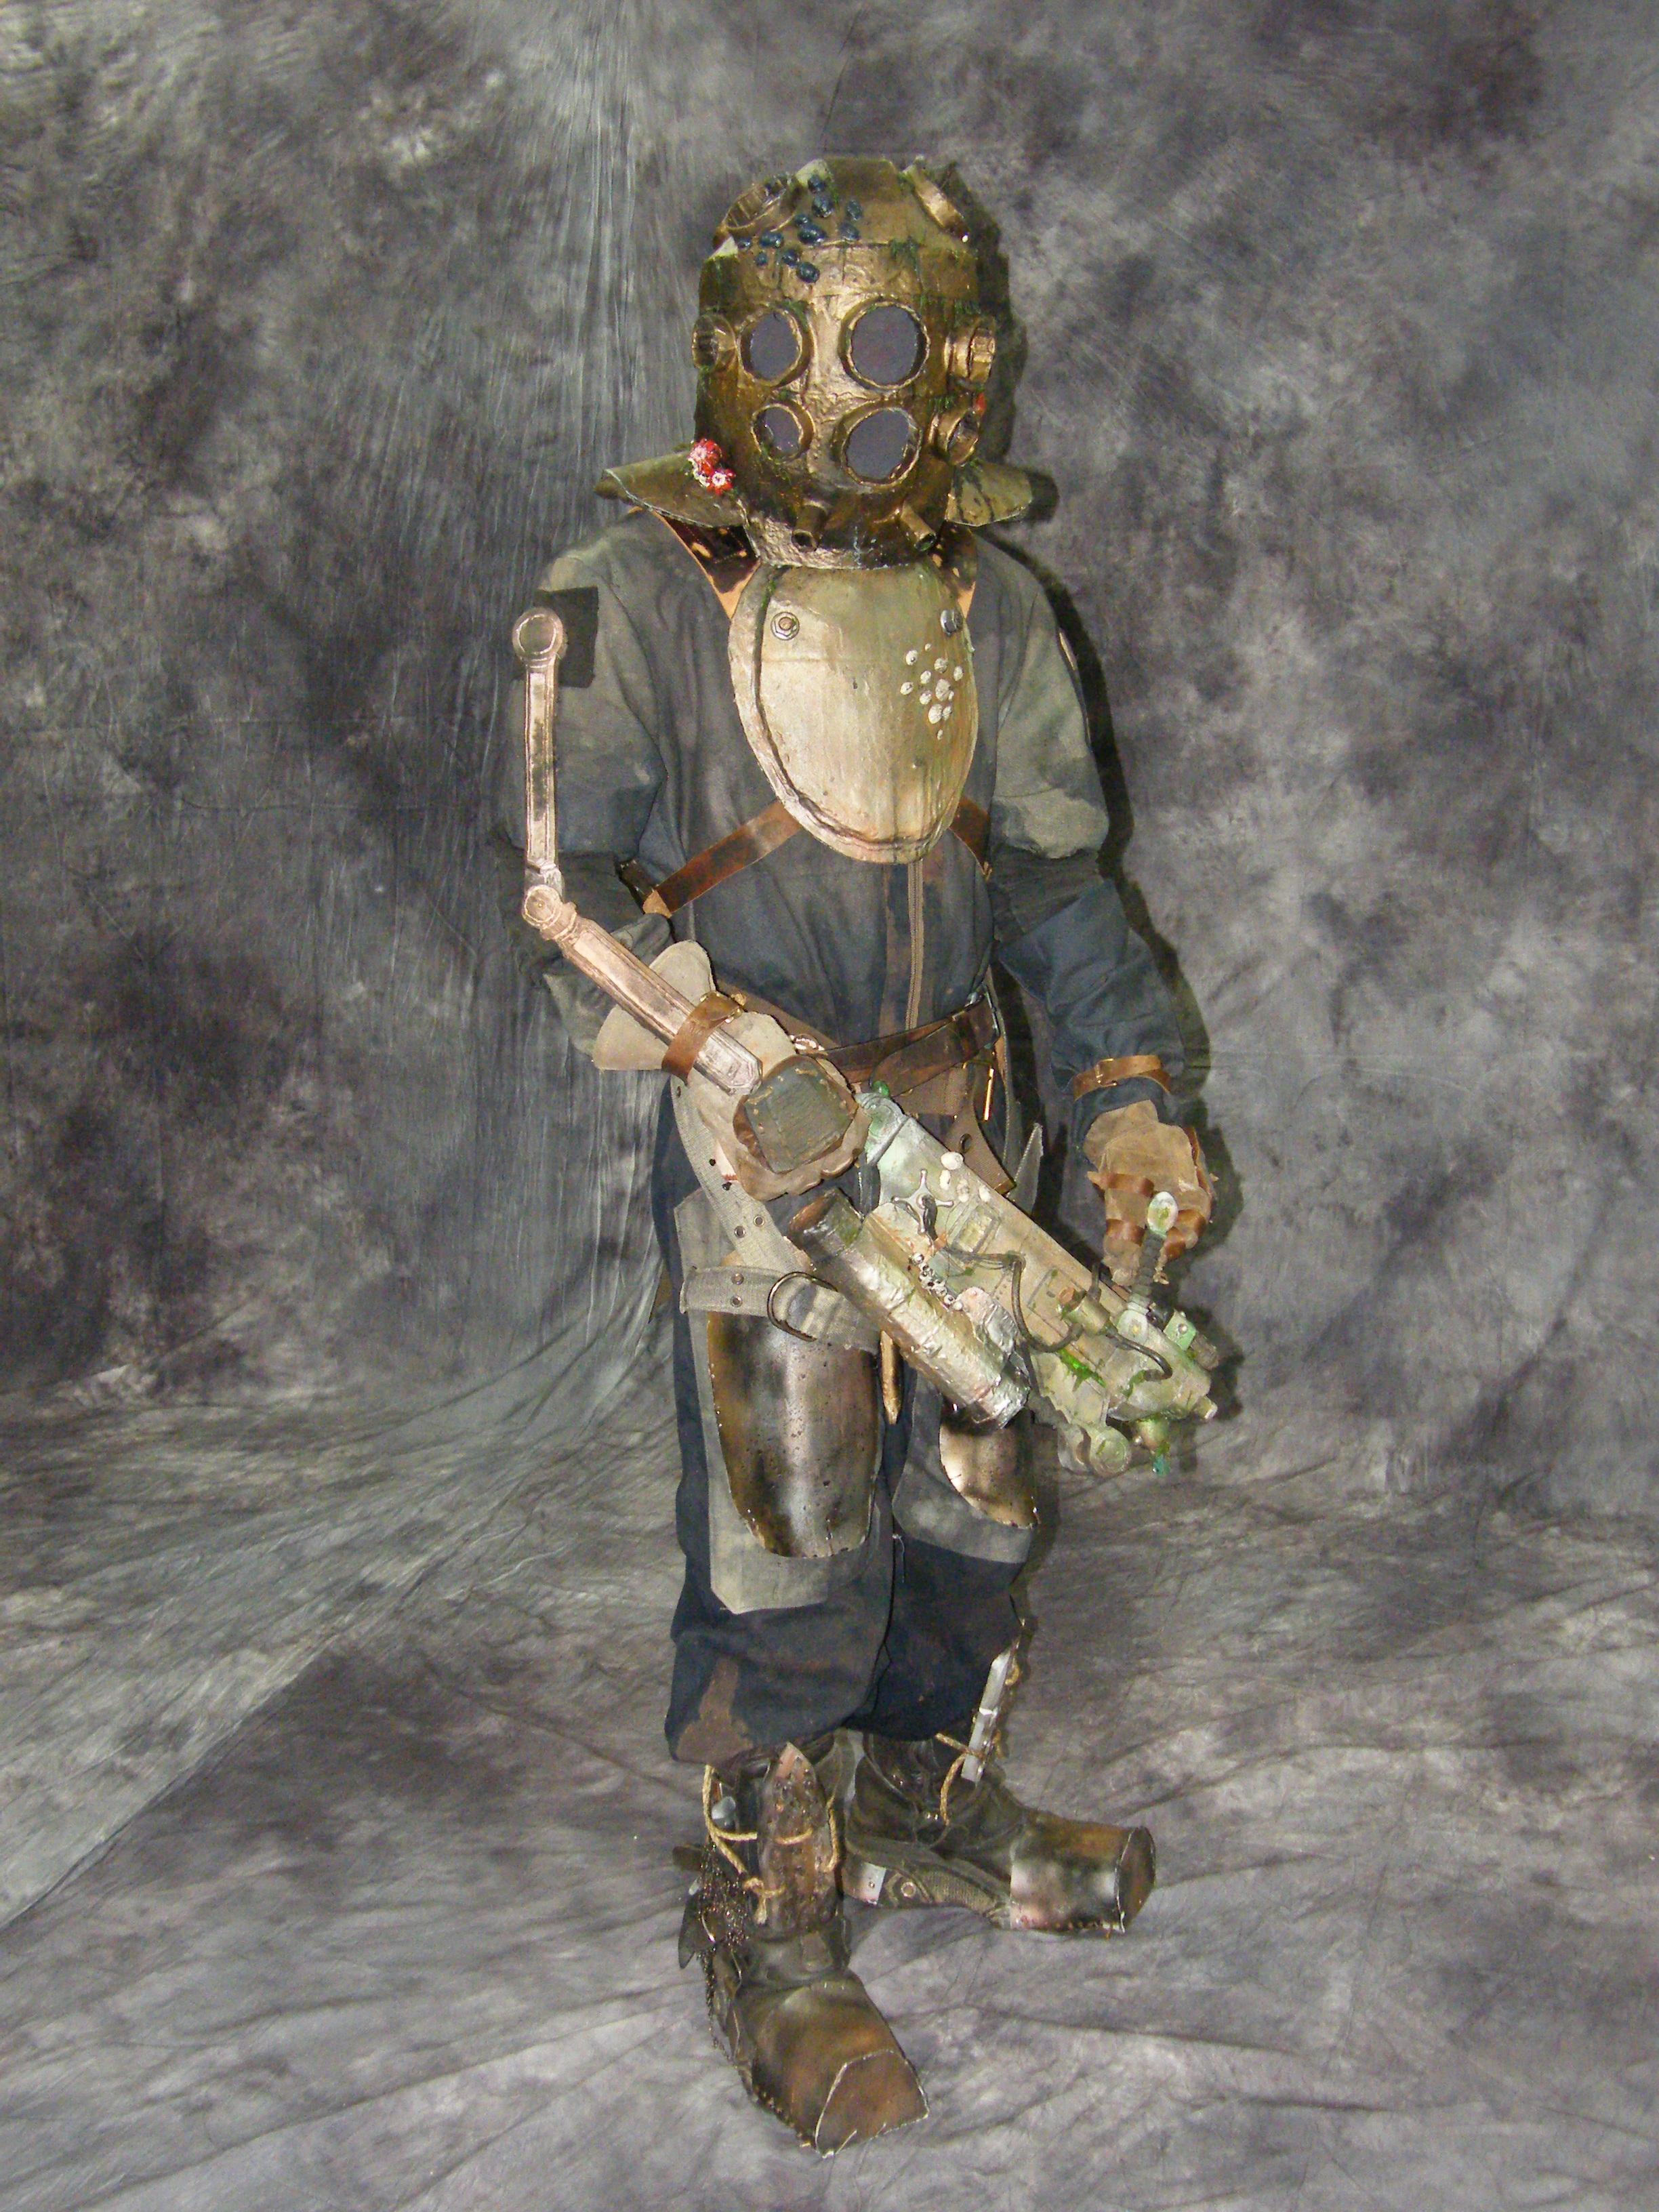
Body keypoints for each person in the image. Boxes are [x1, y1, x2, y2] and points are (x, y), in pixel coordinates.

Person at [495, 157, 1212, 2154]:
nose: (869, 386)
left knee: (979, 1499)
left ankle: (918, 1798)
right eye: (843, 343)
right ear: (750, 353)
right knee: (790, 1530)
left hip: (967, 1131)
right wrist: (729, 1052)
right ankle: (770, 1910)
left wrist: (1130, 1089)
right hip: (769, 1150)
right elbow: (563, 890)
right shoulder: (628, 594)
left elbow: (1058, 893)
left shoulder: (998, 606)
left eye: (907, 344)